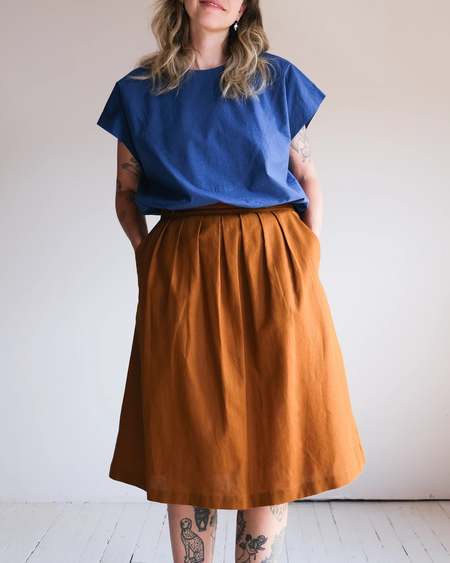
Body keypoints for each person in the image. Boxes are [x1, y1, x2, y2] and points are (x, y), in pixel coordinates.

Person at [96, 0, 366, 560]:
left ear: (246, 6)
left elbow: (308, 178)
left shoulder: (276, 80)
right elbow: (125, 194)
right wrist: (150, 260)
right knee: (187, 422)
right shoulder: (139, 91)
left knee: (274, 420)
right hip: (184, 266)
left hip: (274, 263)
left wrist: (307, 256)